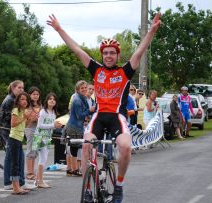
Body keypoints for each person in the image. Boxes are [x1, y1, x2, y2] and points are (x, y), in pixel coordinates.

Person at [47, 13, 161, 202]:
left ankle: (119, 186)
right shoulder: (96, 70)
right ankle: (88, 189)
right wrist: (59, 29)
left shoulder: (125, 71)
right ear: (102, 55)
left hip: (117, 116)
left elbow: (139, 52)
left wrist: (151, 31)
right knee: (86, 145)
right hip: (99, 117)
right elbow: (77, 50)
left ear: (117, 55)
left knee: (124, 146)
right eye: (105, 53)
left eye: (112, 53)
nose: (108, 56)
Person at [0, 80, 35, 191]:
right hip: (7, 131)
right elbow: (11, 121)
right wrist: (24, 117)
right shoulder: (11, 101)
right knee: (15, 157)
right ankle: (15, 182)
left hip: (9, 131)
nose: (22, 90)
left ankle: (14, 182)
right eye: (19, 87)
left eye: (23, 87)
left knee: (13, 157)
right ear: (13, 88)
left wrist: (28, 118)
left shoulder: (15, 101)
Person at [32, 92, 62, 188]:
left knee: (43, 159)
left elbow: (51, 127)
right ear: (47, 101)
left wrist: (56, 126)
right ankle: (40, 181)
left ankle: (37, 180)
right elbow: (39, 125)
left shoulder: (53, 113)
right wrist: (53, 125)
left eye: (54, 99)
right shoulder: (43, 112)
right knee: (43, 159)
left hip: (47, 138)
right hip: (40, 137)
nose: (52, 100)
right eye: (50, 99)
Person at [64, 80, 93, 177]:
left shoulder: (82, 98)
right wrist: (90, 110)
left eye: (85, 87)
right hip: (74, 127)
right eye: (82, 88)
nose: (84, 89)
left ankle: (73, 169)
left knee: (75, 148)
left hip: (77, 126)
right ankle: (74, 169)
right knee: (74, 148)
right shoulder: (77, 100)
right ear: (77, 89)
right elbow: (79, 115)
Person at [8, 92, 31, 195]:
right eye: (22, 99)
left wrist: (30, 118)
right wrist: (24, 117)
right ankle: (15, 187)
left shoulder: (23, 111)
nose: (24, 101)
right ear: (17, 101)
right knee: (15, 163)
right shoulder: (16, 110)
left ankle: (17, 186)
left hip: (19, 139)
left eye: (26, 99)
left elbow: (25, 125)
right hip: (14, 139)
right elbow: (13, 124)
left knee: (17, 163)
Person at [25, 86, 42, 180]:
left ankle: (32, 171)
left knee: (35, 151)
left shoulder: (40, 106)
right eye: (33, 94)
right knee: (30, 150)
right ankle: (29, 172)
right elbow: (29, 118)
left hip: (39, 130)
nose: (35, 96)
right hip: (30, 129)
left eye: (37, 94)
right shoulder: (28, 105)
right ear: (29, 95)